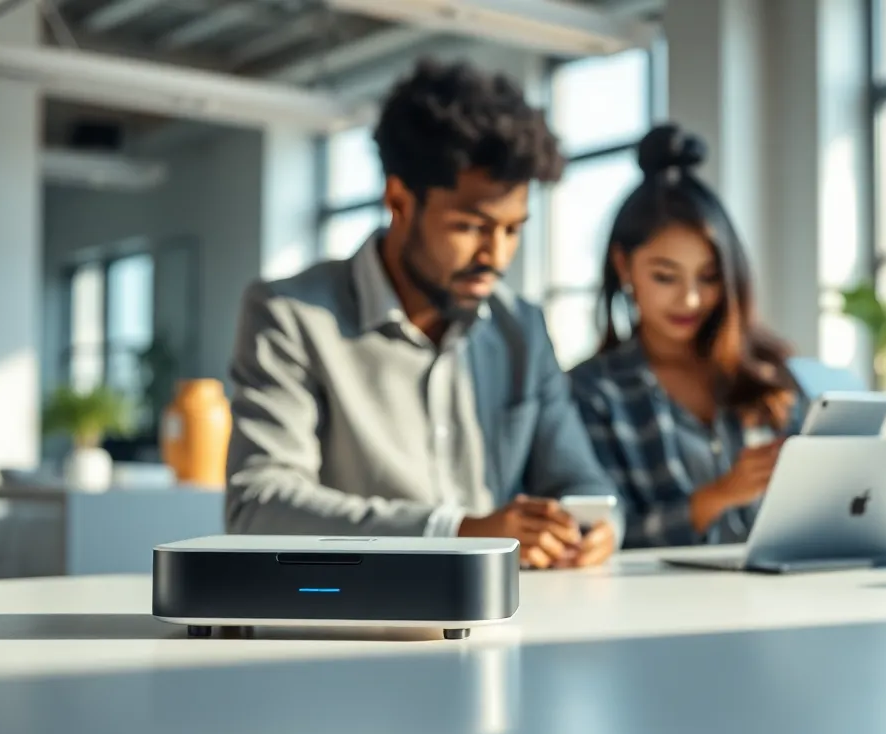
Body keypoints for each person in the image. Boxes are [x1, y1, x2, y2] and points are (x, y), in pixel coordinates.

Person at [224, 58, 620, 569]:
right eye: (470, 226)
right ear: (399, 200)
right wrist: (457, 532)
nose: (496, 257)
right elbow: (259, 506)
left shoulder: (521, 329)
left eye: (512, 229)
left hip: (504, 616)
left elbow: (582, 482)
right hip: (355, 617)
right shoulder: (290, 317)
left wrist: (598, 529)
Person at [569, 124, 806, 549]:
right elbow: (605, 538)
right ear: (624, 266)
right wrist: (719, 495)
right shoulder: (592, 392)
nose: (690, 299)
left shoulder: (770, 375)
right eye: (665, 276)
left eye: (710, 277)